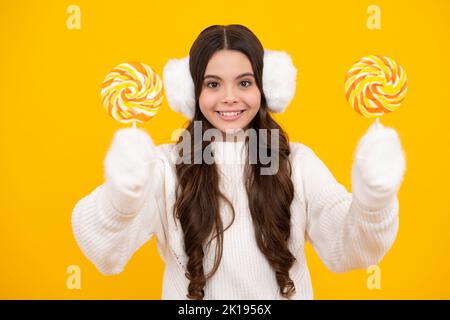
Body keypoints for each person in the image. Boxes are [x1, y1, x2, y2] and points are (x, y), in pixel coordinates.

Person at [71, 24, 406, 300]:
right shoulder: (161, 167)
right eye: (213, 84)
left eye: (244, 83)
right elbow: (105, 253)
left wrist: (373, 198)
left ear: (266, 88)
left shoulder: (298, 164)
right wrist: (122, 197)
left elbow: (350, 250)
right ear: (191, 94)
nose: (230, 97)